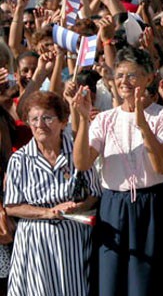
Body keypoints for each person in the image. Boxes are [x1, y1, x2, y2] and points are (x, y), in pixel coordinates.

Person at [72, 46, 163, 296]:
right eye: (120, 75)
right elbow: (82, 163)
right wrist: (82, 120)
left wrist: (142, 123)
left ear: (148, 78)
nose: (124, 81)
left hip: (154, 204)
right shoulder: (104, 119)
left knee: (150, 283)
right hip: (114, 205)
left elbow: (161, 165)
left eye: (132, 75)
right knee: (112, 281)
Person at [4, 91, 100, 295]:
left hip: (73, 241)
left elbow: (94, 193)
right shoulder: (19, 159)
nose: (40, 124)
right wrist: (48, 213)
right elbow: (12, 207)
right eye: (34, 119)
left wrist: (77, 208)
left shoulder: (78, 152)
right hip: (36, 243)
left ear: (63, 121)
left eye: (47, 118)